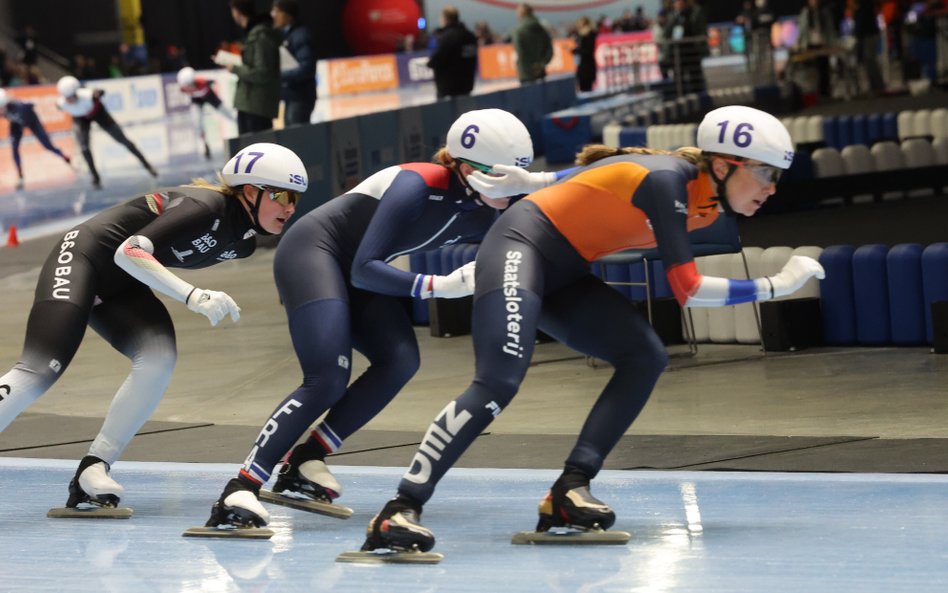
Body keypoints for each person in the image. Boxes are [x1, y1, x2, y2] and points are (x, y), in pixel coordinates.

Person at [358, 105, 826, 556]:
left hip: (563, 269)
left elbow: (613, 168)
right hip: (520, 247)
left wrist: (540, 180)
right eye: (765, 172)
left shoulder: (704, 202)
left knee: (645, 356)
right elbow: (689, 289)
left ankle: (570, 489)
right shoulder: (671, 183)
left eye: (778, 175)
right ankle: (399, 508)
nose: (772, 188)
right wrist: (775, 285)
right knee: (498, 380)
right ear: (724, 165)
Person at [199, 109, 572, 532]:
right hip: (314, 254)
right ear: (468, 170)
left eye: (521, 176)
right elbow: (364, 268)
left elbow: (573, 192)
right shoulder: (418, 183)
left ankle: (305, 461)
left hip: (359, 268)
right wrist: (436, 286)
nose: (514, 188)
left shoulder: (498, 200)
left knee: (400, 360)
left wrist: (545, 182)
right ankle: (239, 486)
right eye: (506, 177)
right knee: (326, 378)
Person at [0, 142, 306, 514]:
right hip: (83, 258)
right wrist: (192, 296)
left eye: (296, 198)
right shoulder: (205, 206)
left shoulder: (243, 243)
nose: (291, 207)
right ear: (250, 191)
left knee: (158, 359)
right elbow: (129, 250)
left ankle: (93, 469)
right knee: (39, 369)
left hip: (121, 284)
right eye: (282, 195)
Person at [56, 75, 158, 189]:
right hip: (80, 119)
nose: (69, 100)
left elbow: (100, 92)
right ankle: (95, 177)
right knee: (84, 148)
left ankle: (147, 165)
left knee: (123, 140)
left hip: (99, 114)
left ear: (77, 92)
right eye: (66, 98)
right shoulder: (61, 103)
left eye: (71, 97)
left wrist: (98, 94)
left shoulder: (88, 95)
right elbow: (59, 106)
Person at [219, 0, 281, 134]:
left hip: (256, 107)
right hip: (250, 105)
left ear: (237, 11)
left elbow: (262, 72)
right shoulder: (254, 35)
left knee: (259, 148)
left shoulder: (260, 36)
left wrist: (235, 68)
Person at [0, 88, 72, 190]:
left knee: (47, 145)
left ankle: (64, 156)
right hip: (16, 124)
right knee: (14, 148)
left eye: (1, 109)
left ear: (6, 104)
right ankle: (20, 175)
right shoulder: (4, 108)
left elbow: (32, 104)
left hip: (32, 122)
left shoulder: (19, 106)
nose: (1, 112)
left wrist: (24, 104)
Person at [270, 0, 316, 126]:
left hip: (300, 97)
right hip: (291, 96)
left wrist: (280, 75)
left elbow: (307, 67)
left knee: (297, 137)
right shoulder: (286, 35)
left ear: (288, 14)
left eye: (277, 11)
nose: (273, 15)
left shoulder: (300, 35)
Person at [177, 67, 237, 159]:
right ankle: (205, 144)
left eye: (189, 85)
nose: (189, 87)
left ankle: (239, 123)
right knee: (197, 122)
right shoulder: (183, 88)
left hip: (210, 96)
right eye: (186, 86)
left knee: (227, 114)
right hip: (197, 100)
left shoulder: (202, 82)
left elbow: (215, 82)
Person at [428, 6, 478, 99]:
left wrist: (430, 63)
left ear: (445, 19)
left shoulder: (447, 37)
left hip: (448, 88)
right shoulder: (469, 35)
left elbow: (438, 57)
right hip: (466, 85)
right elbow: (471, 57)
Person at [795, 0, 838, 99]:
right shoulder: (805, 12)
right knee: (812, 69)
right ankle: (814, 93)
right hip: (810, 44)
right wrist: (800, 44)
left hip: (822, 42)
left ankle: (825, 92)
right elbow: (802, 29)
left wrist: (831, 43)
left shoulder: (824, 12)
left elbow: (830, 28)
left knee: (824, 68)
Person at [512, 3, 553, 84]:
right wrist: (541, 64)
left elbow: (521, 52)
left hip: (526, 74)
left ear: (521, 14)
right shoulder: (542, 30)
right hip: (541, 72)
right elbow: (549, 49)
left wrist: (531, 67)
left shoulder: (518, 32)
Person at [852, 0, 886, 95]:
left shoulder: (864, 4)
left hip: (870, 33)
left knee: (869, 58)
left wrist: (856, 34)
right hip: (866, 34)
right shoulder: (859, 4)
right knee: (868, 60)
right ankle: (875, 86)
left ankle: (878, 86)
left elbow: (862, 19)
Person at [572, 16, 597, 92]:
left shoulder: (590, 35)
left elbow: (589, 50)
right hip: (581, 66)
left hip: (587, 67)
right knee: (582, 87)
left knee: (587, 88)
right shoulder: (580, 36)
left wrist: (578, 51)